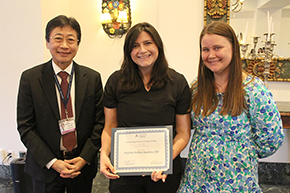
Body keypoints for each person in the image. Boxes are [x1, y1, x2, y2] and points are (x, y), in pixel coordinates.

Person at [178, 21, 284, 192]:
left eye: (217, 48)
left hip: (237, 182)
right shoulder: (197, 88)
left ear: (234, 49)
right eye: (205, 49)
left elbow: (271, 138)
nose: (211, 55)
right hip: (197, 181)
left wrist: (238, 151)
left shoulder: (253, 90)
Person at [100, 22, 191, 193]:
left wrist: (164, 160)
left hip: (163, 172)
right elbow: (110, 126)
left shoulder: (177, 82)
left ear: (158, 46)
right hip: (124, 173)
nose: (142, 50)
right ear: (128, 51)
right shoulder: (116, 81)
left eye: (148, 43)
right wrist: (104, 153)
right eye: (135, 45)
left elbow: (183, 132)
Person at [17, 15, 104, 193]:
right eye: (58, 38)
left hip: (80, 168)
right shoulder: (30, 79)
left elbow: (100, 123)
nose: (64, 45)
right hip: (45, 169)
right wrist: (53, 162)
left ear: (78, 44)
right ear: (47, 42)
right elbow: (26, 127)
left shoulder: (93, 78)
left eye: (70, 40)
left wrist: (84, 158)